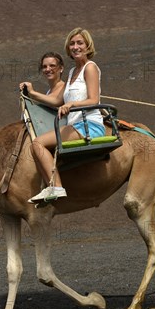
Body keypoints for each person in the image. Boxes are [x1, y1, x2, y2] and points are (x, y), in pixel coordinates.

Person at [20, 28, 103, 204]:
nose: (75, 47)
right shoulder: (72, 72)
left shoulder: (90, 68)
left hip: (88, 125)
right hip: (74, 125)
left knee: (38, 143)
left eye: (79, 43)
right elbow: (57, 100)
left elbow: (94, 100)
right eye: (72, 43)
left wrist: (72, 104)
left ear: (88, 46)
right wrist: (32, 93)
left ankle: (56, 186)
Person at [0, 51, 66, 215]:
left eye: (52, 65)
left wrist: (33, 93)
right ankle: (10, 201)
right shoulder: (50, 92)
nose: (48, 69)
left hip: (59, 132)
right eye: (44, 66)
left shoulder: (64, 87)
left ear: (61, 68)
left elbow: (56, 102)